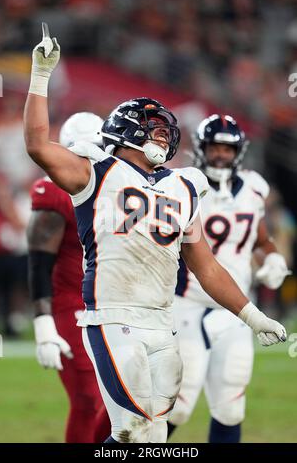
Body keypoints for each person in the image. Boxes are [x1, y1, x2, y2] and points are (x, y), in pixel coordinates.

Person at [23, 24, 287, 444]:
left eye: (165, 127)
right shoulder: (97, 171)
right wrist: (40, 76)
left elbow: (207, 267)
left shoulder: (182, 186)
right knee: (130, 429)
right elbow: (38, 145)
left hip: (162, 321)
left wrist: (252, 316)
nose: (162, 132)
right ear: (125, 130)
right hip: (112, 314)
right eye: (152, 126)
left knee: (156, 434)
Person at [168, 114, 291, 443]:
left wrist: (274, 257)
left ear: (238, 151)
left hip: (236, 310)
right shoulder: (182, 183)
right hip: (185, 304)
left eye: (227, 148)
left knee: (231, 407)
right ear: (201, 149)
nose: (220, 154)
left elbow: (262, 240)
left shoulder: (254, 187)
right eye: (214, 147)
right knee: (176, 406)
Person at [27, 111, 110, 443]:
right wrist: (43, 323)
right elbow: (38, 261)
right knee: (88, 400)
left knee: (124, 403)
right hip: (71, 305)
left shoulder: (119, 185)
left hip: (114, 303)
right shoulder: (54, 191)